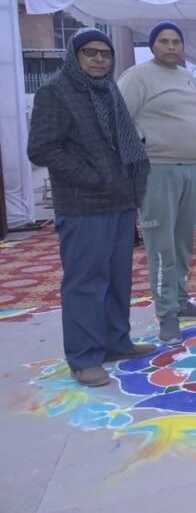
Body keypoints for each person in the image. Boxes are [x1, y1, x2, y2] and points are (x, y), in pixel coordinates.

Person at [28, 27, 153, 386]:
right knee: (86, 282)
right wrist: (93, 176)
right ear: (75, 55)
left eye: (105, 53)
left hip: (120, 200)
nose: (99, 59)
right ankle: (84, 358)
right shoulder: (56, 91)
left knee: (117, 278)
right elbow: (42, 148)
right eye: (90, 52)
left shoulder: (108, 89)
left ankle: (116, 342)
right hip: (84, 203)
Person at [118, 22, 196, 346]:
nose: (171, 46)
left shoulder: (187, 77)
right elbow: (120, 121)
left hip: (192, 168)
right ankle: (167, 314)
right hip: (157, 170)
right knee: (161, 245)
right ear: (152, 45)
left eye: (176, 41)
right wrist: (140, 150)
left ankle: (182, 300)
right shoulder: (137, 76)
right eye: (164, 41)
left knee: (184, 242)